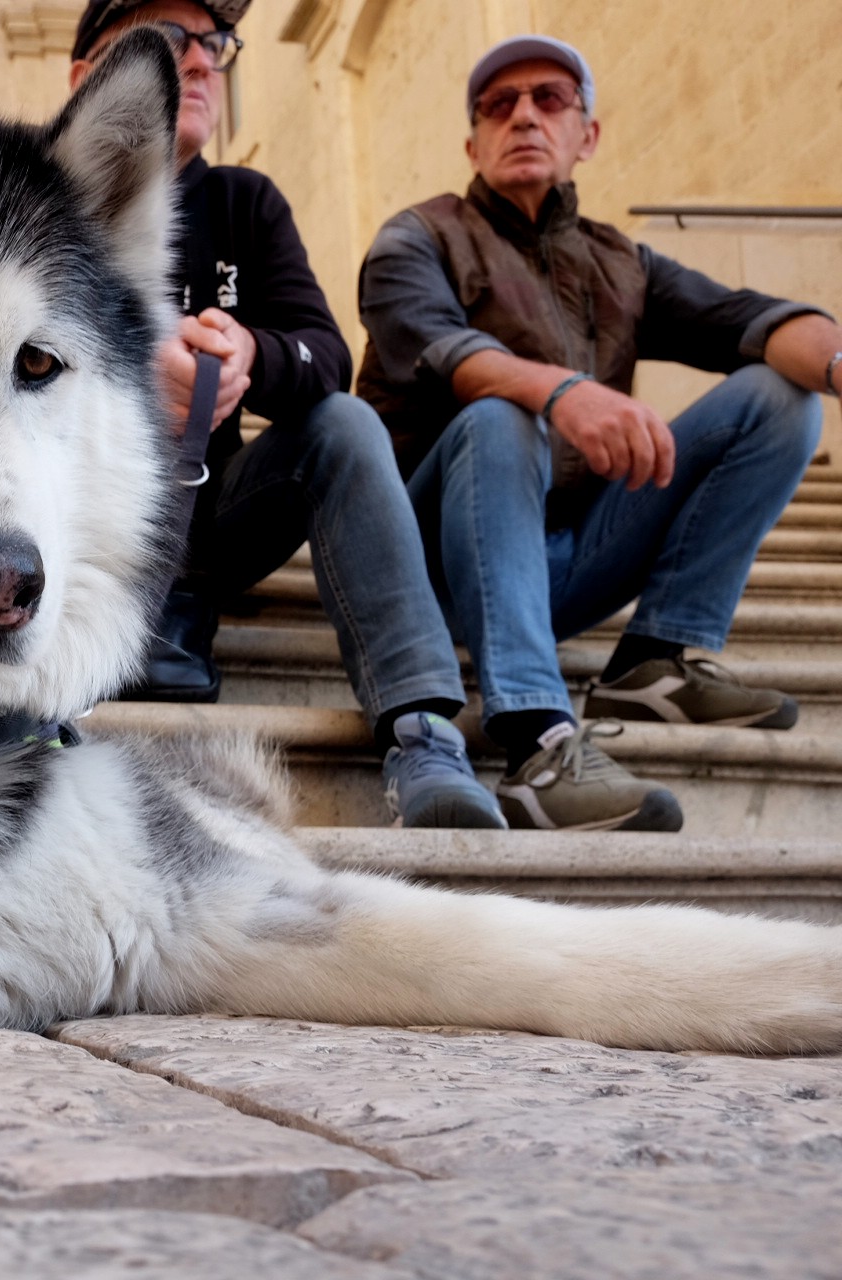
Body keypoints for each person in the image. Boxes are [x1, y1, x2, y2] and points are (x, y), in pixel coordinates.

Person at [357, 35, 842, 832]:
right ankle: (536, 741)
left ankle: (653, 662)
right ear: (472, 144)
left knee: (781, 399)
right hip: (431, 566)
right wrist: (565, 393)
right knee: (503, 413)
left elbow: (751, 319)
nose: (524, 116)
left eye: (549, 99)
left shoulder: (623, 262)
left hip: (564, 561)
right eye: (499, 105)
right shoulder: (417, 237)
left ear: (587, 134)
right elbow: (444, 352)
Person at [70, 0, 505, 829]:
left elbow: (325, 353)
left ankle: (421, 732)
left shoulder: (246, 201)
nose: (201, 61)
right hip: (71, 526)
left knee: (343, 424)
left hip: (209, 517)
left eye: (215, 43)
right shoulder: (33, 194)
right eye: (169, 40)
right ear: (88, 77)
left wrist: (249, 357)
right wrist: (128, 361)